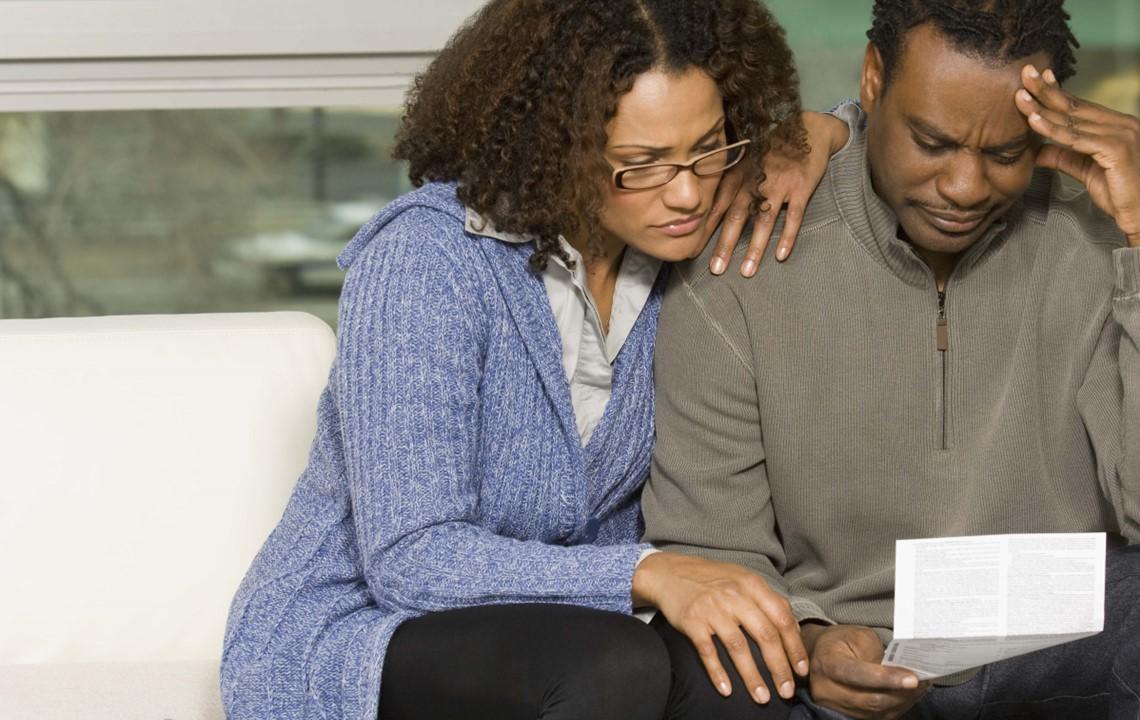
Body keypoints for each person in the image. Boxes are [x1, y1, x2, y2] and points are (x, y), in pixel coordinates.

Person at [217, 1, 858, 719]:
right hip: (360, 634)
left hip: (581, 629)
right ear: (557, 146)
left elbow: (891, 125)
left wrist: (821, 130)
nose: (688, 191)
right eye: (639, 166)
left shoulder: (687, 239)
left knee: (750, 681)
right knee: (612, 666)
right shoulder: (428, 263)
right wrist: (650, 572)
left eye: (709, 147)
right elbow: (410, 558)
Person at [642, 1, 1140, 718]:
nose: (965, 187)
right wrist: (814, 641)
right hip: (844, 663)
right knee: (717, 676)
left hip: (1055, 648)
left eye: (1004, 153)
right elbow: (715, 553)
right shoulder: (745, 259)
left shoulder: (1094, 248)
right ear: (873, 80)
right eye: (932, 141)